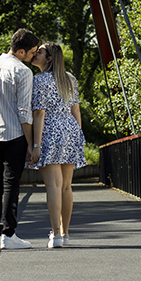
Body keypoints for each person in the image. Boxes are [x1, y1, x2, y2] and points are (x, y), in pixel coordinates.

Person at [0, 28, 40, 249]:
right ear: (21, 51)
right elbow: (24, 112)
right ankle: (9, 234)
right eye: (32, 52)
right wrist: (32, 144)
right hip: (14, 134)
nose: (33, 56)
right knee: (11, 185)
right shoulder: (23, 72)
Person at [26, 41, 86, 248]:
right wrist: (78, 137)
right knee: (66, 186)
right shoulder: (70, 79)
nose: (36, 53)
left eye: (40, 52)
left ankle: (56, 234)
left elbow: (39, 113)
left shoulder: (39, 80)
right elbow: (76, 110)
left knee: (53, 185)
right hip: (70, 130)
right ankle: (65, 233)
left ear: (49, 58)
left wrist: (36, 145)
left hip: (50, 131)